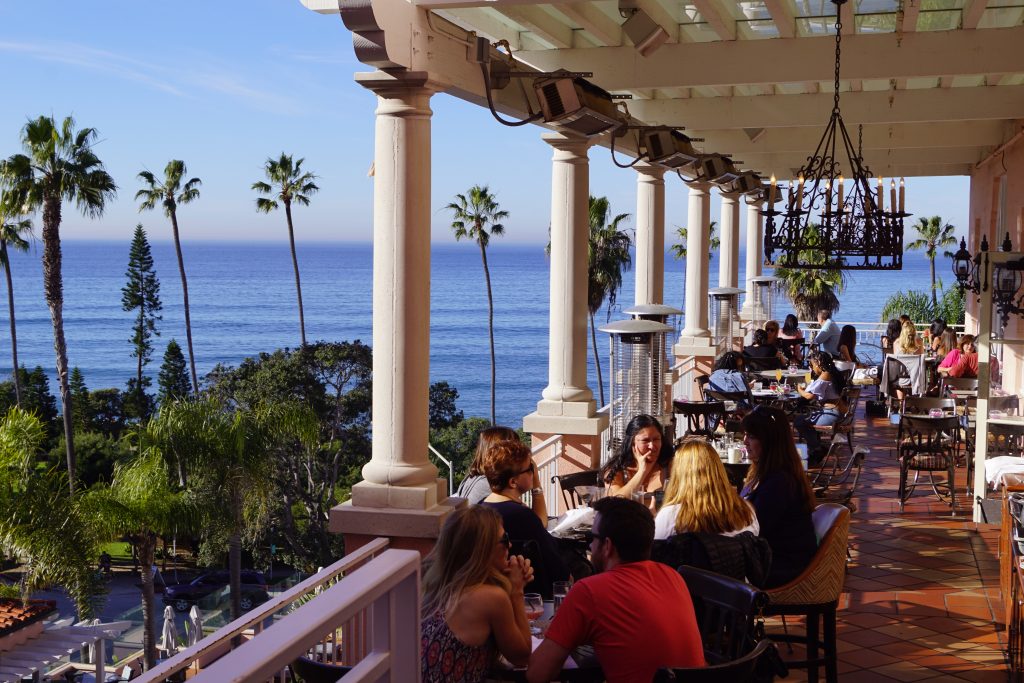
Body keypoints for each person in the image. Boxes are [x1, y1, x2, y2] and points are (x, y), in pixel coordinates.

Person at [527, 497, 705, 683]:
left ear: (607, 546)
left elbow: (537, 674)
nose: (589, 545)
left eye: (592, 537)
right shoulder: (673, 577)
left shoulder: (589, 591)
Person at [421, 505, 533, 682]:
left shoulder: (437, 586)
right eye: (504, 539)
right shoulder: (491, 597)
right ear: (482, 550)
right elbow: (523, 657)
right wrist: (516, 590)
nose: (510, 545)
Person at [741, 406, 818, 588]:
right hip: (772, 559)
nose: (744, 441)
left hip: (782, 567)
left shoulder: (779, 482)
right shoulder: (768, 474)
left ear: (770, 442)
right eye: (745, 435)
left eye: (751, 437)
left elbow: (754, 528)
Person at [481, 439, 570, 596]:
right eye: (530, 469)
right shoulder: (521, 516)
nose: (534, 471)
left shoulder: (481, 509)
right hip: (532, 597)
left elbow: (540, 523)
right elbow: (558, 570)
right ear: (513, 482)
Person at [654, 438, 759, 540]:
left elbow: (655, 550)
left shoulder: (671, 517)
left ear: (678, 474)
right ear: (719, 469)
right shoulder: (747, 512)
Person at [600, 414, 672, 510]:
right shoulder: (616, 469)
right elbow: (616, 503)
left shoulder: (670, 464)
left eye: (656, 439)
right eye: (645, 440)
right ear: (632, 442)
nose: (652, 446)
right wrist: (642, 472)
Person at [794, 352, 848, 464]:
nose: (812, 368)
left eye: (812, 364)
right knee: (805, 418)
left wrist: (798, 389)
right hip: (838, 411)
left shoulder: (825, 375)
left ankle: (817, 449)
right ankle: (815, 448)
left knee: (799, 420)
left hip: (832, 413)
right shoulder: (834, 373)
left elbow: (809, 396)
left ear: (818, 363)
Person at [456, 425, 519, 505]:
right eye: (514, 449)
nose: (519, 455)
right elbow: (530, 517)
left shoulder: (472, 478)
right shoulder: (490, 486)